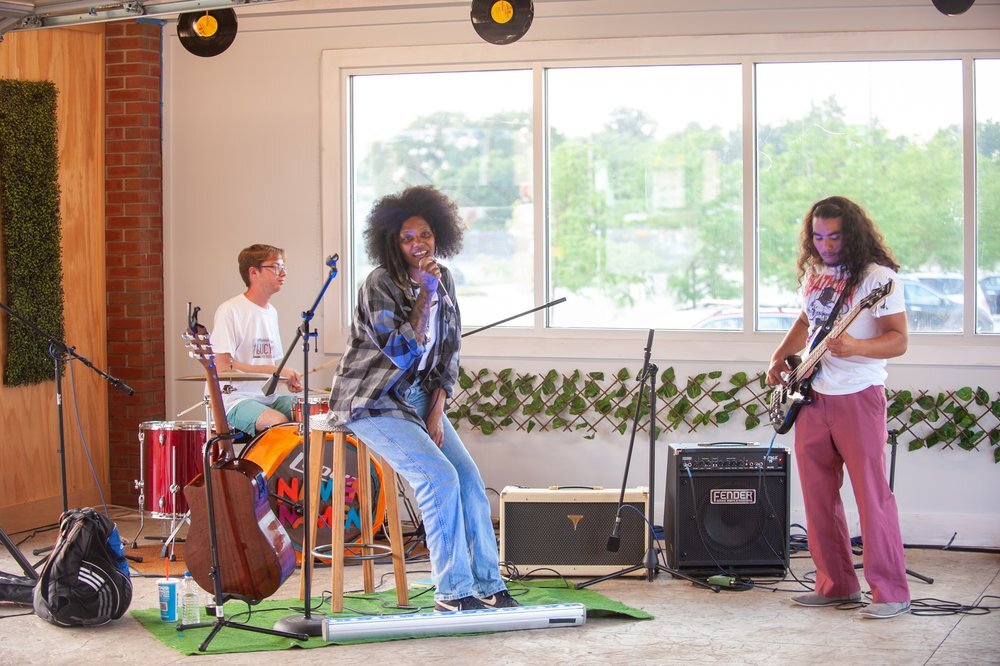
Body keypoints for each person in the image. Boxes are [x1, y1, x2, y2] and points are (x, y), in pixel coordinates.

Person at [324, 185, 518, 612]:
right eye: (407, 237)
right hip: (372, 400)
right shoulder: (380, 283)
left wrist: (436, 410)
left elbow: (449, 351)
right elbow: (401, 351)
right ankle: (453, 592)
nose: (417, 244)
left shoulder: (445, 277)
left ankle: (488, 583)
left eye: (425, 235)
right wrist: (426, 294)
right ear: (393, 241)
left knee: (468, 480)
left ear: (439, 236)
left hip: (420, 397)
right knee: (438, 478)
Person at [765, 196, 910, 619]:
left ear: (853, 233)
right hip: (810, 395)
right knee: (817, 497)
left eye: (834, 236)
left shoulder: (878, 279)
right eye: (818, 236)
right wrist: (779, 357)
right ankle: (835, 586)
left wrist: (856, 347)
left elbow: (898, 339)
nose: (826, 244)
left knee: (871, 497)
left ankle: (891, 593)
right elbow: (806, 321)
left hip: (858, 396)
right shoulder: (816, 275)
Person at [210, 243, 303, 437]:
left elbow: (265, 365)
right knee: (278, 422)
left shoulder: (272, 313)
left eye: (284, 267)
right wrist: (277, 372)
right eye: (276, 267)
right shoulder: (230, 311)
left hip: (266, 398)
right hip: (234, 400)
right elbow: (223, 367)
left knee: (310, 414)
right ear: (254, 272)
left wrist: (284, 380)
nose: (283, 273)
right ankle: (269, 467)